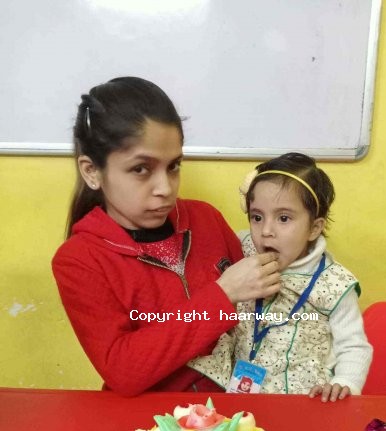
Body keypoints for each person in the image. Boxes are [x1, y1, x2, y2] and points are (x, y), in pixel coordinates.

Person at [52, 76, 280, 396]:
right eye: (141, 169)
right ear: (92, 171)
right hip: (150, 418)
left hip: (231, 407)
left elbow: (262, 311)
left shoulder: (205, 219)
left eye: (173, 166)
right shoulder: (80, 260)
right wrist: (222, 294)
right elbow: (124, 370)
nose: (165, 188)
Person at [189, 153, 373, 402]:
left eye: (284, 218)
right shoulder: (243, 253)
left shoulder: (334, 284)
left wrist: (345, 383)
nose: (266, 231)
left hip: (302, 402)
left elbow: (354, 345)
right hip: (239, 396)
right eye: (257, 217)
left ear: (314, 228)